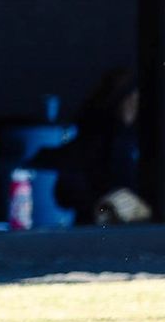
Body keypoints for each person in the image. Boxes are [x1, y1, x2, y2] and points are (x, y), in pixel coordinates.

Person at [33, 68, 147, 225]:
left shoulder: (145, 143)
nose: (132, 105)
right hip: (97, 232)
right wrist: (103, 209)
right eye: (128, 98)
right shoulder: (91, 142)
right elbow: (66, 193)